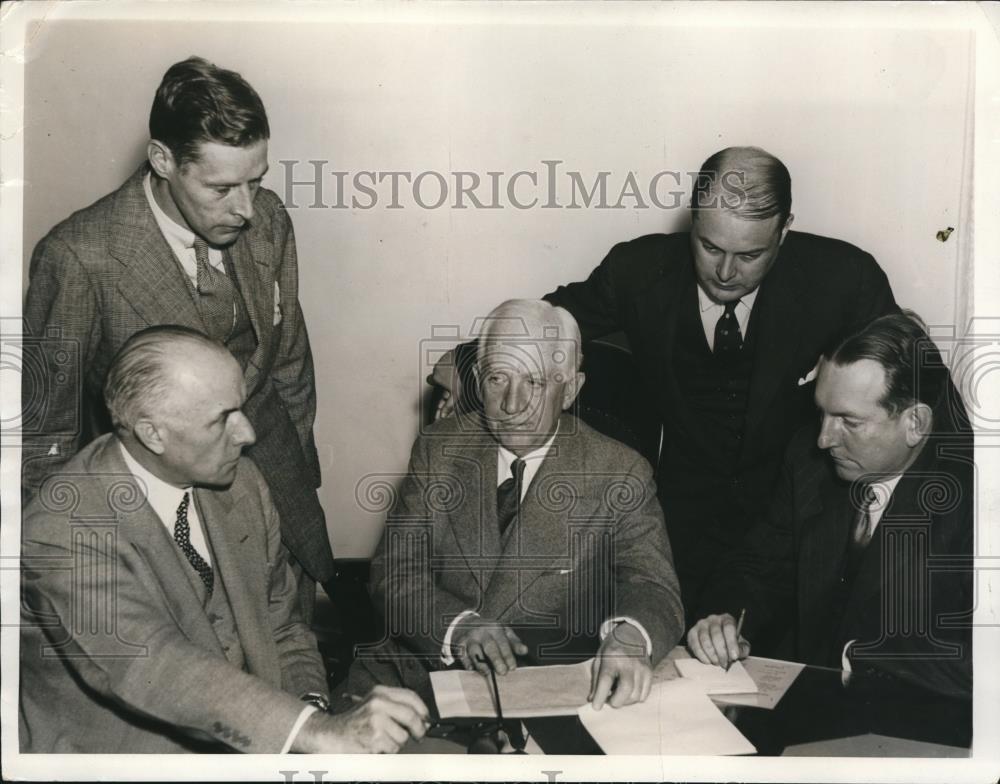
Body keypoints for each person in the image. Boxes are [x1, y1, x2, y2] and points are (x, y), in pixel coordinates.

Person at [431, 146, 897, 621]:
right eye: (710, 247)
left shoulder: (845, 279)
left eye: (750, 255)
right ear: (693, 220)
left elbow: (913, 382)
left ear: (785, 229)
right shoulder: (638, 270)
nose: (725, 273)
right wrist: (461, 368)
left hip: (791, 528)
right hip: (679, 519)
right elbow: (543, 324)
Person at [21, 56, 332, 621]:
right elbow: (44, 433)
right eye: (221, 188)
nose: (246, 209)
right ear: (163, 160)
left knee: (291, 640)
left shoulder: (268, 220)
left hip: (276, 479)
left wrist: (300, 479)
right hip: (156, 510)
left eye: (256, 181)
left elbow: (290, 362)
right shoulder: (78, 256)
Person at [19, 326, 429, 753]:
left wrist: (311, 707)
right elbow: (153, 665)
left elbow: (283, 627)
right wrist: (314, 732)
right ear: (152, 434)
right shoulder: (59, 531)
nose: (248, 433)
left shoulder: (242, 483)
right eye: (222, 419)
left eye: (242, 408)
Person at [350, 300, 684, 712]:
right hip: (417, 676)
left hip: (543, 689)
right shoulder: (439, 449)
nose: (512, 405)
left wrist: (631, 637)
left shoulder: (619, 472)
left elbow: (653, 586)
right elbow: (396, 571)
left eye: (534, 382)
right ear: (477, 380)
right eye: (497, 378)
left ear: (570, 390)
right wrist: (459, 628)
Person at [688, 312, 973, 700]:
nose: (824, 439)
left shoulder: (977, 499)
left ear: (916, 423)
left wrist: (861, 655)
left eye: (848, 422)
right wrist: (723, 618)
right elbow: (758, 566)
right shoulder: (809, 462)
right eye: (821, 412)